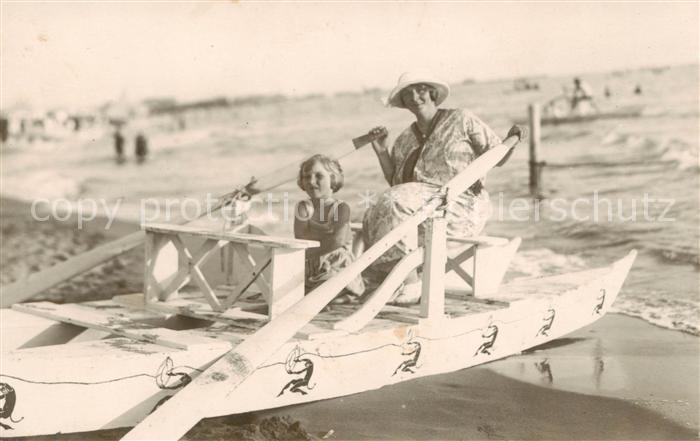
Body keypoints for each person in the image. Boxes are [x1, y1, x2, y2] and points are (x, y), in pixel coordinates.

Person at [362, 71, 524, 303]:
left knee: (393, 201)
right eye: (408, 94)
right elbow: (398, 186)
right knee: (374, 211)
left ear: (432, 93)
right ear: (404, 103)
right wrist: (381, 150)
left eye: (420, 90)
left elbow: (499, 157)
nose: (415, 97)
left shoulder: (461, 119)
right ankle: (386, 280)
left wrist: (513, 140)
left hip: (462, 205)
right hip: (421, 208)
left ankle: (409, 283)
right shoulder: (404, 139)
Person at [294, 154, 365, 301]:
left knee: (333, 280)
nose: (311, 181)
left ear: (333, 179)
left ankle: (339, 295)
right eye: (307, 177)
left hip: (336, 263)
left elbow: (337, 241)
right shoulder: (303, 207)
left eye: (319, 176)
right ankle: (327, 296)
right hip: (311, 262)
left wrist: (314, 249)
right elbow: (300, 237)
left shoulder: (340, 208)